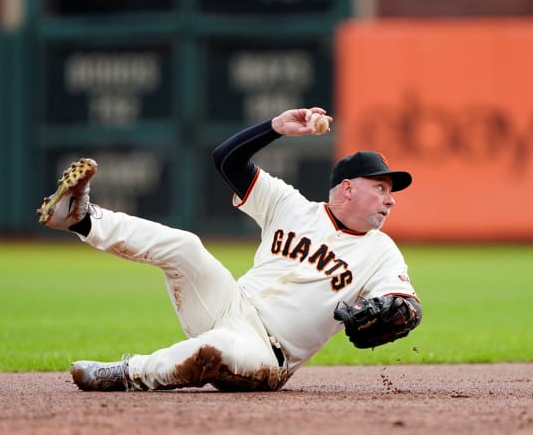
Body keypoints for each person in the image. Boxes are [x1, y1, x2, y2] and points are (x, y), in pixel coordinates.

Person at [36, 107, 422, 391]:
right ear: (350, 188)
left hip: (266, 355)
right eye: (382, 188)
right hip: (227, 304)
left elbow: (407, 305)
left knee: (214, 348)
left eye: (391, 192)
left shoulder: (382, 251)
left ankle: (126, 372)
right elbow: (227, 159)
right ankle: (82, 218)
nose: (391, 200)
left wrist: (400, 311)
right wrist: (275, 128)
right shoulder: (290, 205)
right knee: (186, 246)